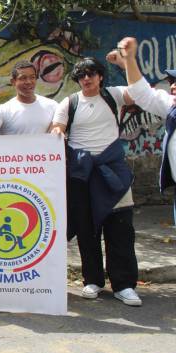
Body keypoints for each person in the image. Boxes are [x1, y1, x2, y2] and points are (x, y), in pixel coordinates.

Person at [50, 55, 139, 306]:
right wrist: (57, 131)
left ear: (100, 76)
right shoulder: (69, 103)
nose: (86, 79)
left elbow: (141, 93)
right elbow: (57, 127)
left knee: (120, 229)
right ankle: (93, 281)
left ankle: (124, 285)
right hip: (82, 174)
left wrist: (126, 62)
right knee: (87, 230)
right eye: (81, 75)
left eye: (91, 74)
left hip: (113, 172)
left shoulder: (115, 95)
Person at [111, 37, 176, 225]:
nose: (172, 86)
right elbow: (142, 94)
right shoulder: (171, 108)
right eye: (171, 81)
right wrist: (129, 60)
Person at [0, 60, 59, 137]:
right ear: (13, 82)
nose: (28, 82)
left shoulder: (52, 106)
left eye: (32, 77)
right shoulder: (3, 111)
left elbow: (61, 129)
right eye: (23, 78)